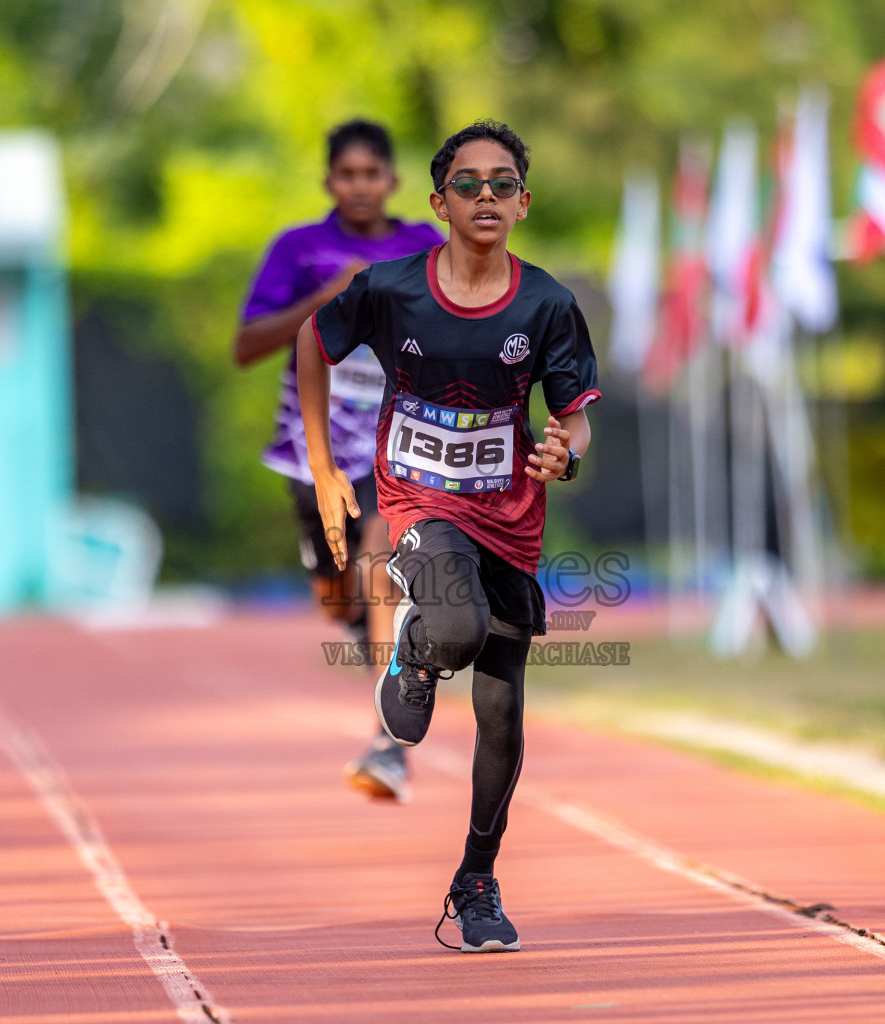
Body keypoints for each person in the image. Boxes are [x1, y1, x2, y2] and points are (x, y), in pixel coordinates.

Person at [295, 119, 599, 953]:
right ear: (438, 203)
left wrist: (561, 452)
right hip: (419, 500)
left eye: (503, 183)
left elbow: (574, 420)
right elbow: (309, 342)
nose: (487, 196)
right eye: (469, 183)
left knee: (502, 716)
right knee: (456, 626)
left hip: (511, 520)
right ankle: (417, 654)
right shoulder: (392, 289)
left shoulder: (547, 305)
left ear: (524, 203)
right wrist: (324, 470)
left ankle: (476, 880)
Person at [234, 119, 443, 803]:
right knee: (337, 600)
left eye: (371, 174)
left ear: (393, 182)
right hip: (313, 449)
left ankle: (388, 739)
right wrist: (326, 299)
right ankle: (358, 622)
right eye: (346, 175)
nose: (359, 186)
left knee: (383, 551)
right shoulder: (299, 249)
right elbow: (245, 346)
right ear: (330, 182)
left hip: (398, 442)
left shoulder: (422, 248)